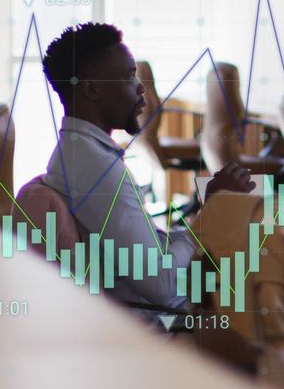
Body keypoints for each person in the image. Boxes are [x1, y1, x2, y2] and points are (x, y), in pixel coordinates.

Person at [41, 23, 254, 321]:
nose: (141, 88)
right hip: (167, 323)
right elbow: (163, 286)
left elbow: (150, 249)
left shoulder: (84, 155)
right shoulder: (95, 170)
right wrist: (212, 214)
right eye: (129, 77)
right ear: (91, 89)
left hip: (166, 306)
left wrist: (207, 214)